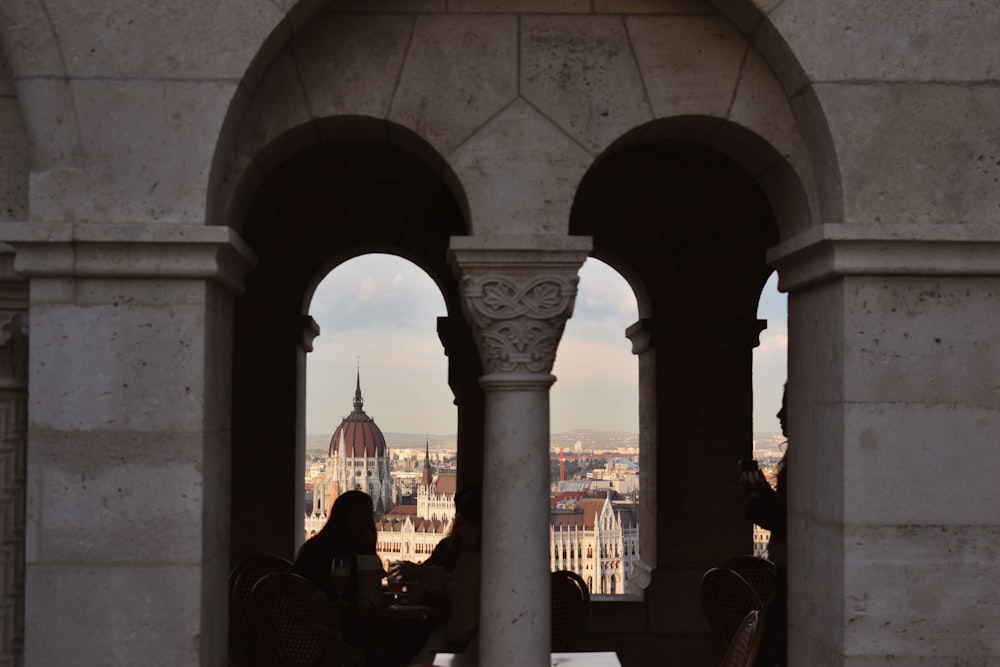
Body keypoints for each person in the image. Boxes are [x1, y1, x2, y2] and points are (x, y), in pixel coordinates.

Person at [743, 388, 788, 667]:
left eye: (787, 406)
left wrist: (760, 505)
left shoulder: (802, 463)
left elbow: (790, 525)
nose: (779, 414)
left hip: (791, 583)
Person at [294, 489, 378, 601]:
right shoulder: (318, 551)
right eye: (360, 513)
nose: (367, 519)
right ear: (344, 516)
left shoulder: (315, 545)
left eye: (370, 513)